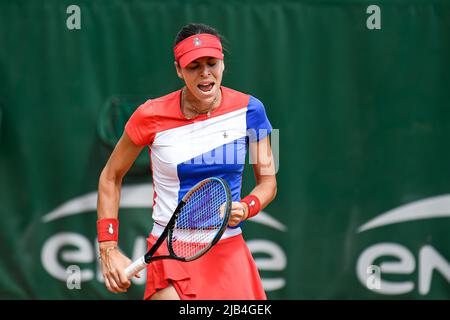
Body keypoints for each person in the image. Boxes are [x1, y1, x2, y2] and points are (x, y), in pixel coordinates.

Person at [96, 23, 277, 300]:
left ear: (222, 63)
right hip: (169, 250)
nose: (205, 73)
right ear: (179, 70)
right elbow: (110, 175)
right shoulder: (149, 115)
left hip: (227, 248)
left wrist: (247, 206)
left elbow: (268, 182)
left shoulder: (252, 110)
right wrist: (108, 248)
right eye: (194, 66)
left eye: (211, 63)